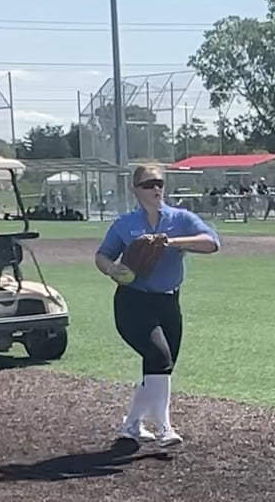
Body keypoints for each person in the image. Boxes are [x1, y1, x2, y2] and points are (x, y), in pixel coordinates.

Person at [93, 164, 220, 448]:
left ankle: (132, 424)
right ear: (136, 190)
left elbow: (211, 243)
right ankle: (165, 428)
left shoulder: (180, 219)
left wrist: (169, 242)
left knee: (161, 366)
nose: (156, 188)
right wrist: (111, 269)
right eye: (149, 184)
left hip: (168, 302)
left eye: (159, 183)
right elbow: (102, 256)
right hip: (133, 302)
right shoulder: (125, 224)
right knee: (159, 358)